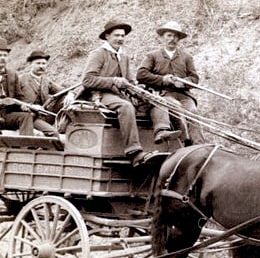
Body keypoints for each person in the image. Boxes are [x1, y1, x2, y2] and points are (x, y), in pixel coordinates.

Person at [80, 19, 149, 165]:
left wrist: (140, 90)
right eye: (116, 35)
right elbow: (87, 80)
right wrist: (113, 80)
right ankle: (134, 150)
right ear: (107, 36)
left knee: (153, 103)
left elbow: (129, 81)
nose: (120, 39)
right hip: (101, 95)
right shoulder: (98, 54)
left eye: (123, 36)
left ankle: (161, 142)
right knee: (125, 107)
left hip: (121, 94)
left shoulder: (124, 56)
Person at [136, 20, 205, 145]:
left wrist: (184, 82)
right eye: (169, 35)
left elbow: (194, 78)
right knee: (175, 108)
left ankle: (199, 145)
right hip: (163, 94)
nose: (172, 39)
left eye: (175, 36)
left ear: (179, 39)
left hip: (184, 96)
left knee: (193, 112)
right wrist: (163, 79)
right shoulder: (152, 56)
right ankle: (185, 142)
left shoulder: (186, 57)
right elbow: (141, 75)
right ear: (162, 37)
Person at [19, 49, 64, 135]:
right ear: (30, 65)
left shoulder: (46, 81)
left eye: (44, 64)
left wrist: (71, 94)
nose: (41, 66)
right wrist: (23, 106)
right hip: (28, 117)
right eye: (38, 63)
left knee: (65, 98)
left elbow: (62, 91)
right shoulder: (21, 80)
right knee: (54, 133)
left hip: (44, 115)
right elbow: (12, 98)